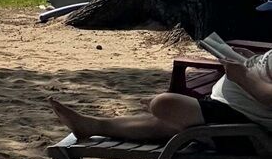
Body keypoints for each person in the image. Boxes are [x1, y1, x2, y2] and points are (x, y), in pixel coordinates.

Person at [50, 36, 272, 144]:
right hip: (232, 111)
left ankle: (94, 125)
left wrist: (242, 77)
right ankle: (92, 125)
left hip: (245, 126)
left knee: (163, 104)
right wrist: (247, 59)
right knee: (165, 122)